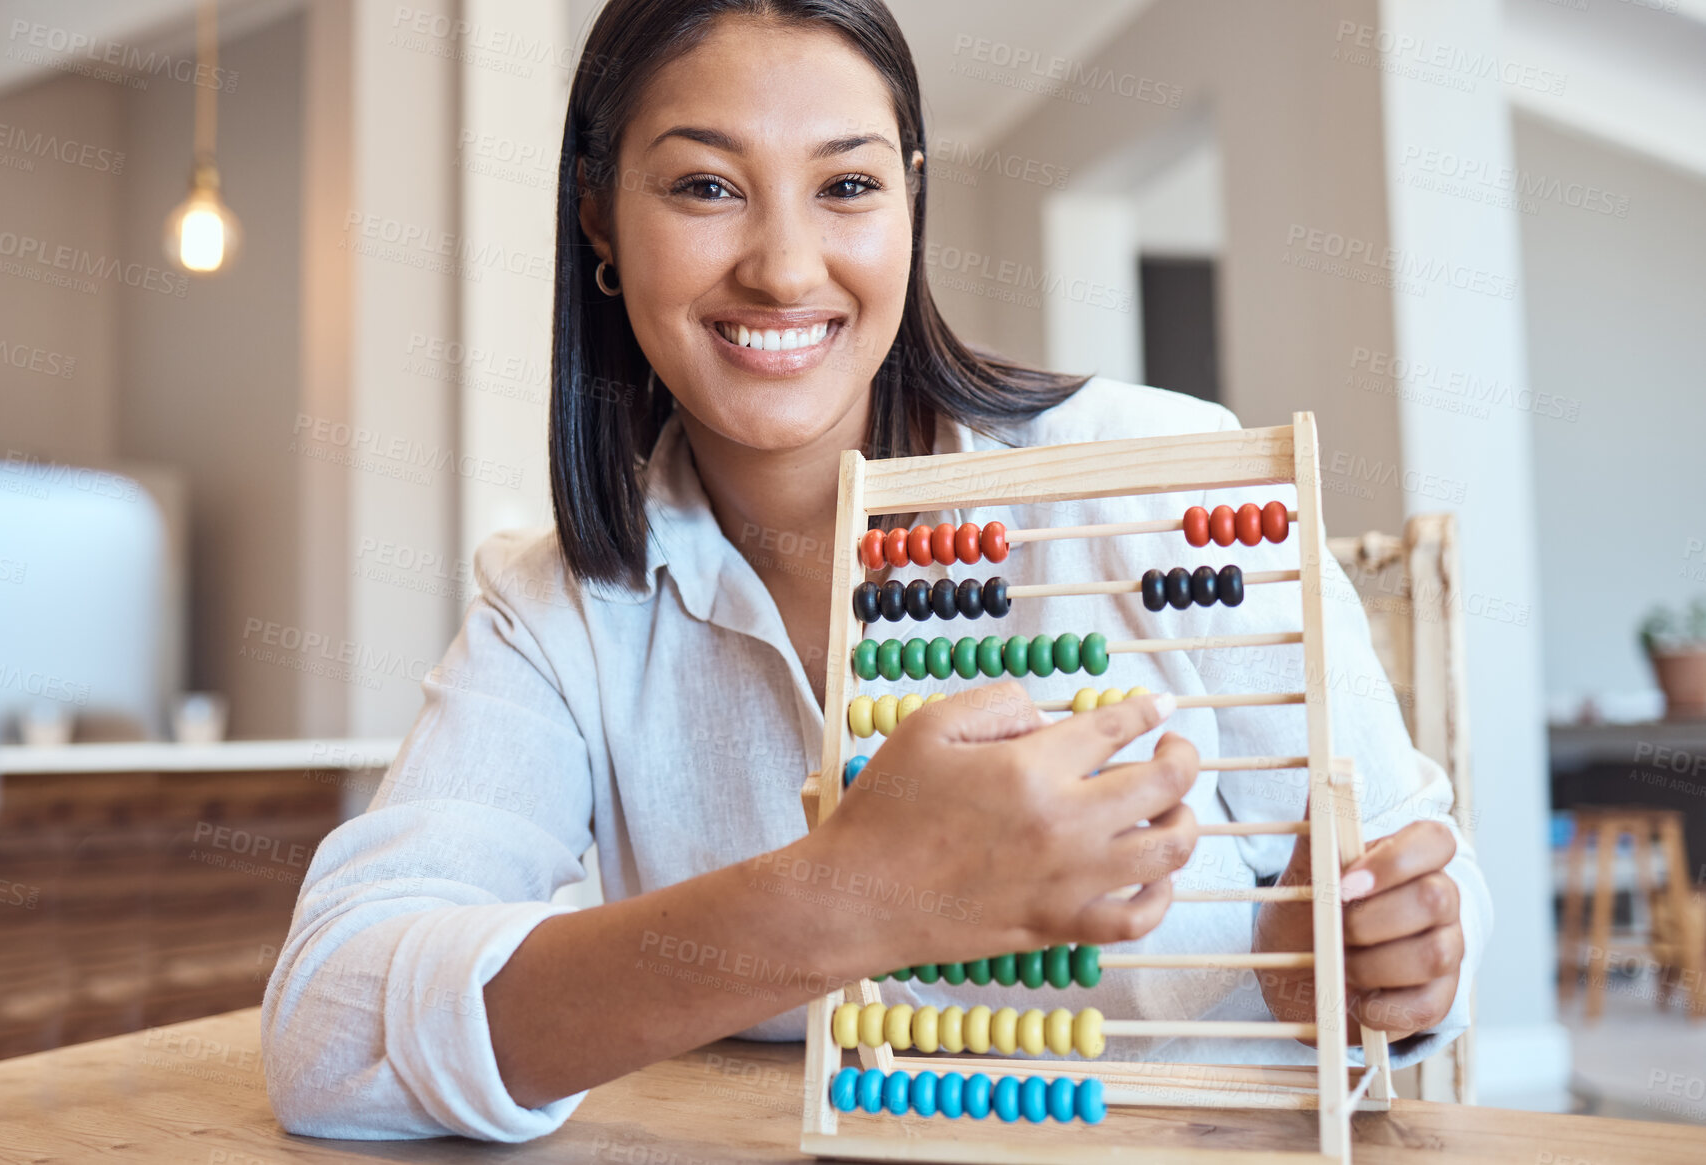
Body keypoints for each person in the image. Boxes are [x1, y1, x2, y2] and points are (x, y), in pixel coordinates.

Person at [262, 0, 1488, 1141]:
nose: (786, 270)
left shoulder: (1163, 475)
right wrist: (852, 894)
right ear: (596, 215)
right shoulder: (558, 615)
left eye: (846, 185)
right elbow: (328, 1025)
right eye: (704, 186)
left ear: (909, 200)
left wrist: (1399, 951)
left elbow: (1407, 863)